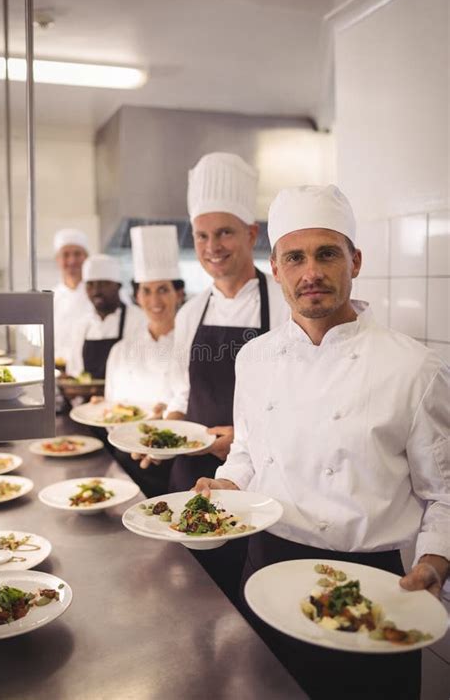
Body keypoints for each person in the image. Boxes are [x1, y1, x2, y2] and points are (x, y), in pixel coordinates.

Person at [194, 185, 450, 699]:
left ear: (355, 260)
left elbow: (443, 492)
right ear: (276, 267)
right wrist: (223, 486)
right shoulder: (255, 358)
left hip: (370, 586)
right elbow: (247, 450)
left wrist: (434, 561)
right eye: (295, 257)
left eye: (326, 254)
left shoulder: (414, 369)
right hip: (265, 567)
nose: (310, 272)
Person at [136, 152, 289, 602]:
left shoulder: (282, 306)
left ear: (252, 234)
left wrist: (241, 437)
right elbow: (182, 392)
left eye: (224, 232)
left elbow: (295, 404)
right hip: (191, 472)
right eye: (202, 235)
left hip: (252, 475)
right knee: (185, 593)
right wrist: (167, 438)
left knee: (241, 600)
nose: (212, 246)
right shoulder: (191, 313)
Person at [103, 226, 184, 497]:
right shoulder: (121, 351)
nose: (154, 300)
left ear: (179, 294)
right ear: (137, 297)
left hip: (178, 465)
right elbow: (112, 413)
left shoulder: (193, 348)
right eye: (146, 291)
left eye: (163, 289)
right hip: (127, 462)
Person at [66, 254, 144, 380]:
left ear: (118, 286)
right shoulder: (81, 325)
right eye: (90, 284)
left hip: (124, 397)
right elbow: (74, 371)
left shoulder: (138, 320)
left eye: (103, 284)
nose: (96, 291)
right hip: (88, 399)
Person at [52, 228, 92, 366]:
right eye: (66, 254)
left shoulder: (98, 295)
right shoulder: (50, 299)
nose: (72, 260)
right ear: (57, 259)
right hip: (56, 370)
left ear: (86, 258)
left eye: (77, 254)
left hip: (91, 370)